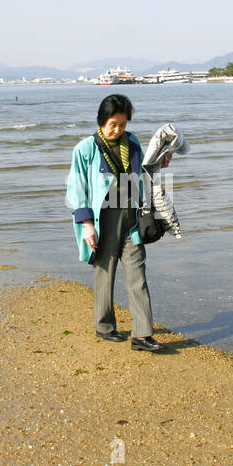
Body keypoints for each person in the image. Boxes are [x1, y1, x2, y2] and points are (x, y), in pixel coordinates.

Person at [67, 94, 170, 352]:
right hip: (104, 217)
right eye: (113, 124)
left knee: (138, 274)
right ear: (102, 121)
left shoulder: (132, 142)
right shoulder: (85, 148)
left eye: (122, 124)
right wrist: (86, 224)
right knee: (105, 271)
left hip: (132, 216)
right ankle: (104, 325)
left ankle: (142, 334)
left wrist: (163, 161)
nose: (118, 129)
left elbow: (145, 172)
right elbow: (76, 188)